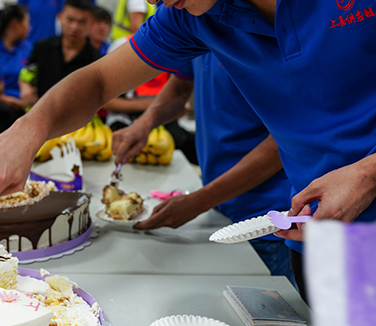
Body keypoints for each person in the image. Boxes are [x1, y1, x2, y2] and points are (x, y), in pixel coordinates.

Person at [0, 0, 376, 300]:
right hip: (319, 253)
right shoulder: (197, 11)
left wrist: (371, 175)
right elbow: (99, 80)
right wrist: (29, 128)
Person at [113, 54, 294, 280]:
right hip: (220, 205)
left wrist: (199, 201)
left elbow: (284, 141)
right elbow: (181, 85)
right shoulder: (201, 26)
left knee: (270, 309)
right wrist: (144, 123)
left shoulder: (269, 38)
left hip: (265, 219)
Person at [20, 0, 101, 105]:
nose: (74, 27)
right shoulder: (42, 47)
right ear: (60, 17)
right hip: (40, 114)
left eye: (82, 22)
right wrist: (25, 87)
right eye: (70, 19)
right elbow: (26, 74)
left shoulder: (96, 60)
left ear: (91, 23)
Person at [0, 5, 33, 135]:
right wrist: (5, 99)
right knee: (6, 113)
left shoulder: (27, 48)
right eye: (27, 23)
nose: (30, 28)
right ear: (16, 23)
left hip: (23, 104)